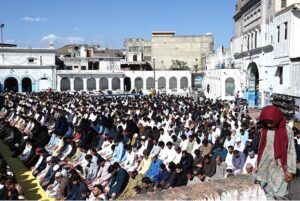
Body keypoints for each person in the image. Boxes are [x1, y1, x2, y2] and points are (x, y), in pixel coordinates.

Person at [256, 106, 297, 199]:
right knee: (268, 193)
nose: (269, 124)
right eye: (266, 122)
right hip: (265, 167)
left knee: (281, 195)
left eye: (270, 121)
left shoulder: (287, 131)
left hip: (280, 167)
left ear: (277, 118)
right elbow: (261, 149)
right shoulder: (265, 130)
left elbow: (291, 151)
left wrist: (290, 171)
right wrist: (257, 165)